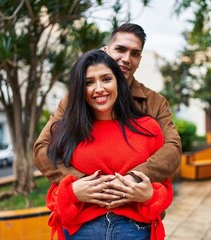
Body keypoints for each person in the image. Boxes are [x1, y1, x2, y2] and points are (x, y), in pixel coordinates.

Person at [33, 23, 181, 201]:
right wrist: (78, 182)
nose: (126, 58)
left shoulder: (155, 102)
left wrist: (133, 179)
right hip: (84, 214)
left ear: (140, 60)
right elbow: (42, 149)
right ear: (106, 50)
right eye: (120, 49)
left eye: (134, 53)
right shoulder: (76, 98)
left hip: (137, 213)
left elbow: (172, 148)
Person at [46, 49, 173, 240]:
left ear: (118, 82)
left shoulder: (149, 128)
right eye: (89, 82)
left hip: (134, 231)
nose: (99, 88)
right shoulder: (66, 131)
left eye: (106, 79)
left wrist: (147, 195)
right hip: (81, 231)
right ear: (80, 88)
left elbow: (163, 190)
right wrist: (72, 192)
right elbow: (54, 195)